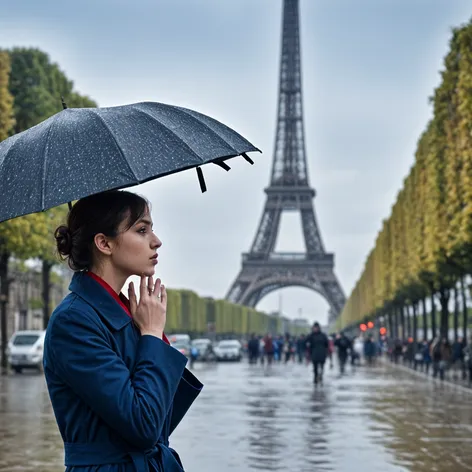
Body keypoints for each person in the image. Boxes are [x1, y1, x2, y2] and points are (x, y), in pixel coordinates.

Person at [43, 190, 203, 472]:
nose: (157, 241)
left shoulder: (121, 312)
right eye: (142, 230)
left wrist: (148, 331)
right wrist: (152, 335)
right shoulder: (74, 322)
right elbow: (144, 426)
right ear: (104, 243)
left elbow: (161, 420)